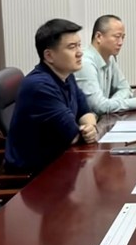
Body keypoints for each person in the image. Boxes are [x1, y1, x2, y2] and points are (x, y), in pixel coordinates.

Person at [5, 19, 98, 175]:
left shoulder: (66, 75)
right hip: (33, 177)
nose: (80, 52)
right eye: (72, 47)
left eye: (79, 45)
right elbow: (73, 136)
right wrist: (87, 132)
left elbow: (85, 112)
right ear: (49, 56)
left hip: (60, 164)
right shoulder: (39, 87)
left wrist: (90, 126)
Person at [76, 14, 136, 114]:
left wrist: (111, 103)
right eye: (117, 37)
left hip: (104, 119)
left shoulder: (110, 57)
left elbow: (125, 88)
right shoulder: (85, 63)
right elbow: (99, 107)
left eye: (123, 37)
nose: (121, 42)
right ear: (99, 37)